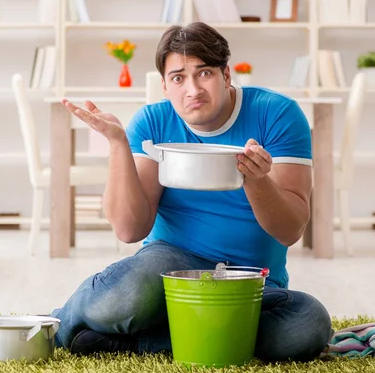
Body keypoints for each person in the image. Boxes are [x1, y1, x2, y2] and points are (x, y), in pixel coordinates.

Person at [50, 21, 333, 362]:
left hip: (249, 281)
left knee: (307, 324)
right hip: (168, 269)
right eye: (178, 78)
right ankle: (59, 324)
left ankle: (136, 341)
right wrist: (117, 144)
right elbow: (129, 230)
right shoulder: (152, 122)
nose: (192, 90)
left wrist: (258, 180)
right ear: (165, 86)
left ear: (227, 75)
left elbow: (291, 230)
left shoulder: (278, 115)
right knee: (127, 295)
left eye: (204, 73)